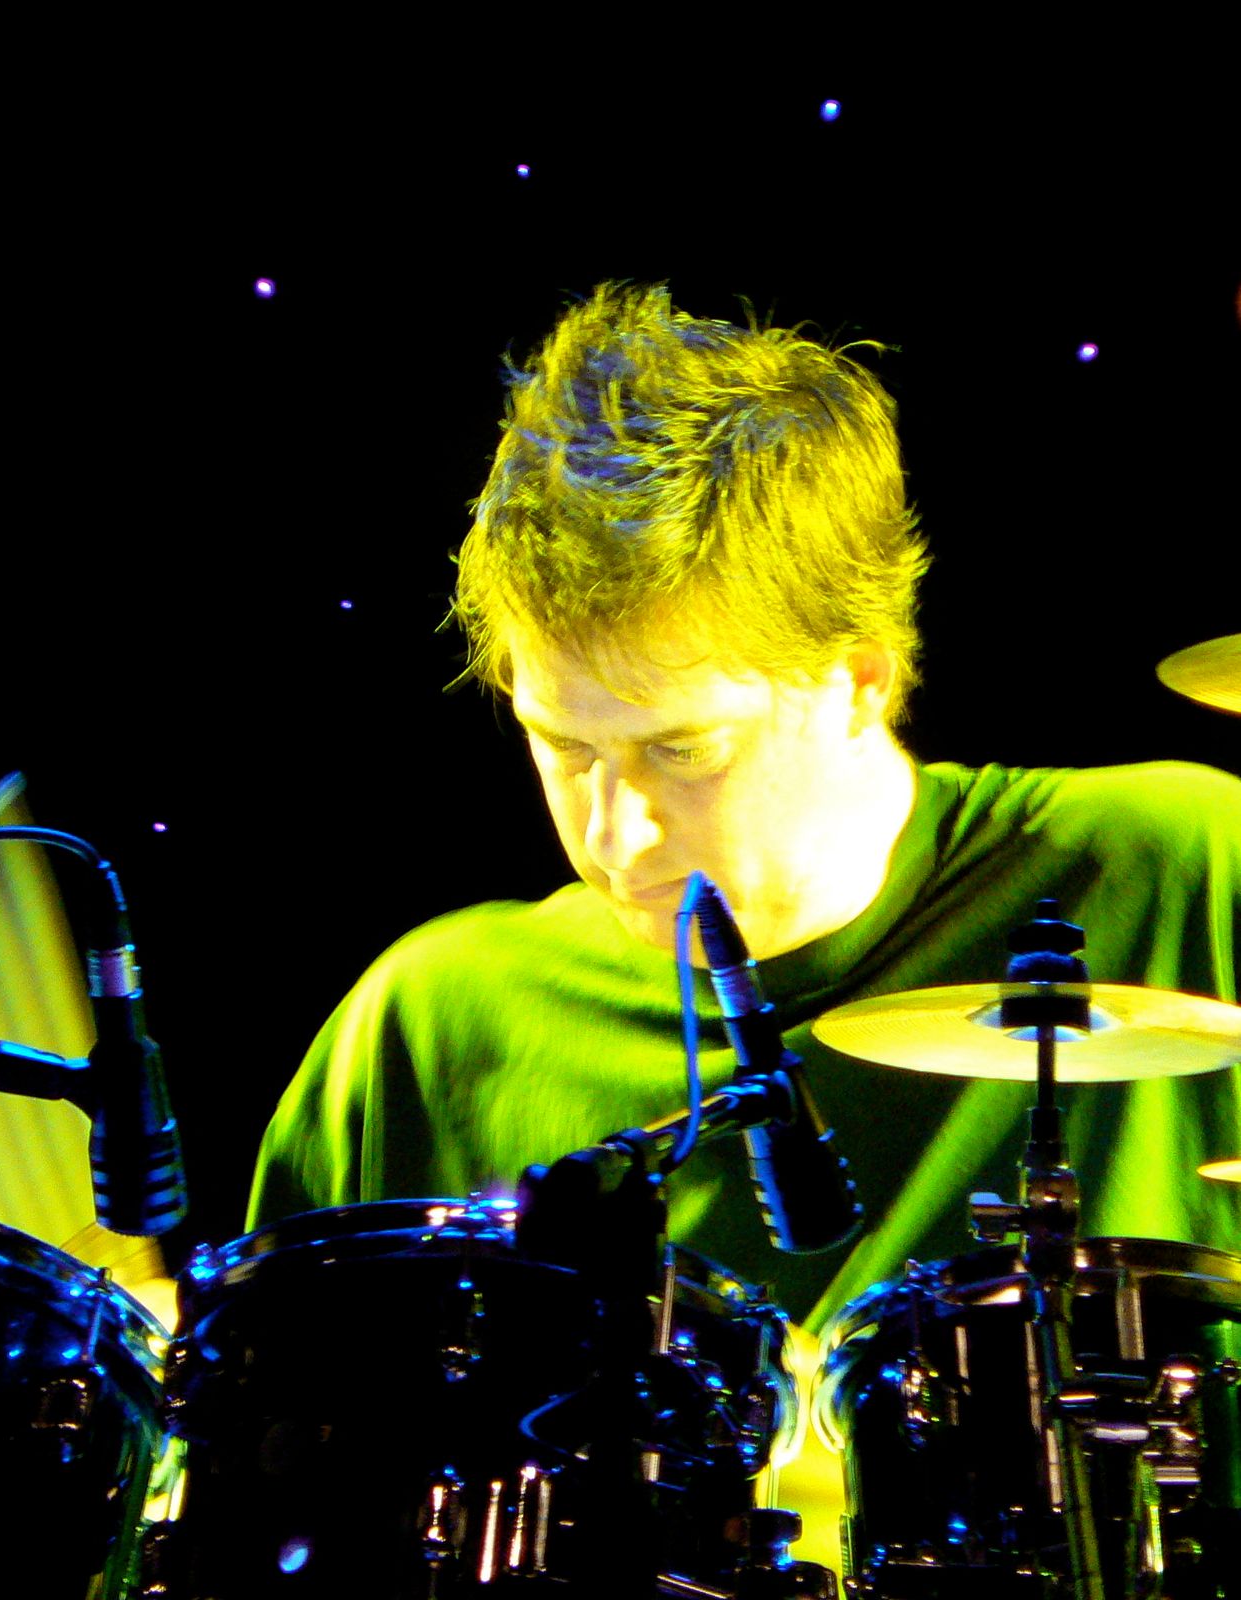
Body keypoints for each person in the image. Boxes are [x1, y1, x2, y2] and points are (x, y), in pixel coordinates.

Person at [243, 283, 1240, 1578]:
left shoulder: (1175, 868)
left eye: (683, 750)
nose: (617, 833)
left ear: (858, 678)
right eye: (563, 749)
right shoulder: (433, 1022)